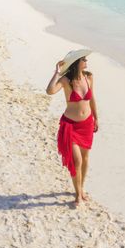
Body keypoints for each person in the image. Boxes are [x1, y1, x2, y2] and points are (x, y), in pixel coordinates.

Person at [46, 49, 98, 205]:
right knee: (77, 161)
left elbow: (92, 99)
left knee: (86, 158)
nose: (86, 62)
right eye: (84, 60)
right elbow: (49, 91)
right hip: (71, 126)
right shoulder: (66, 81)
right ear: (77, 63)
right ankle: (77, 195)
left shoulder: (89, 77)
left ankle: (81, 188)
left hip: (87, 124)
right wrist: (57, 72)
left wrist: (96, 118)